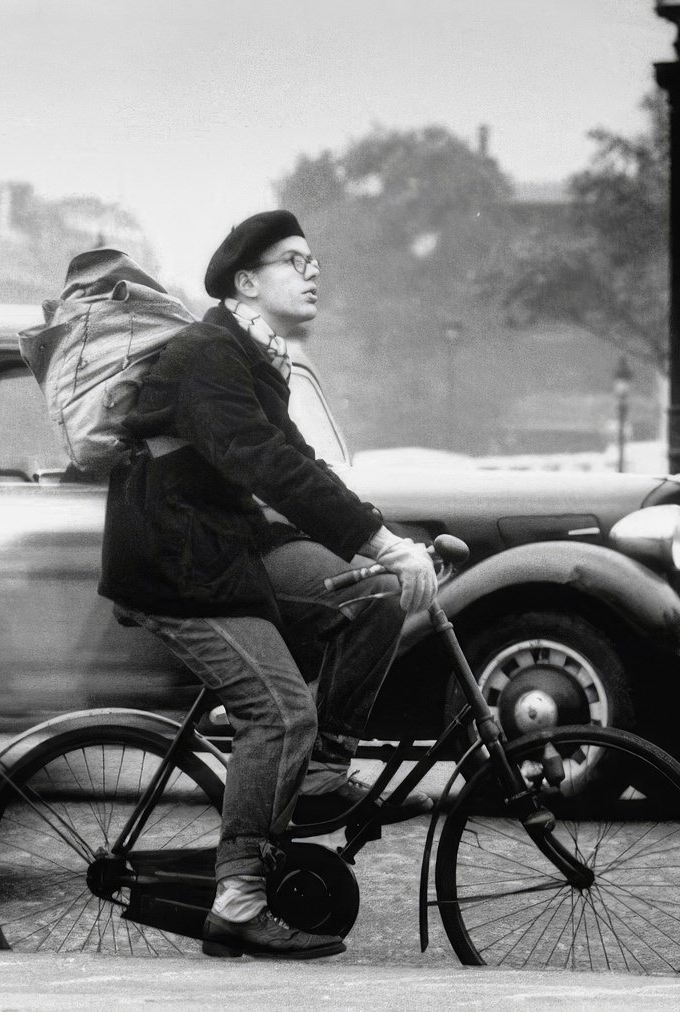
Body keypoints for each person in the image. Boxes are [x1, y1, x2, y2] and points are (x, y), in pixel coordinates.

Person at [98, 210, 438, 959]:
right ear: (246, 282)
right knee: (280, 711)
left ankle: (319, 775)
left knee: (373, 594)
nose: (312, 271)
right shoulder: (207, 357)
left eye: (313, 260)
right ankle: (239, 898)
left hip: (229, 550)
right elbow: (265, 466)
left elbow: (302, 467)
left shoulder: (255, 359)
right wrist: (382, 541)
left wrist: (382, 546)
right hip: (176, 567)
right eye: (293, 260)